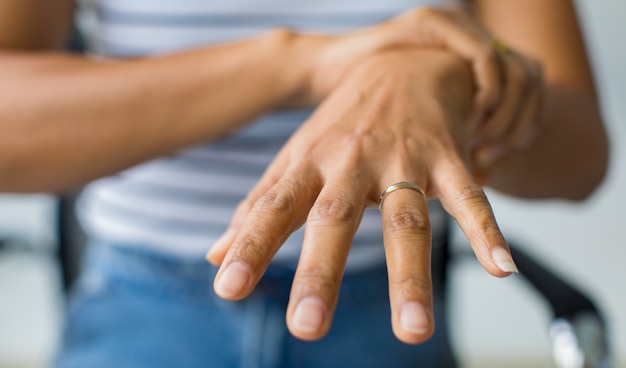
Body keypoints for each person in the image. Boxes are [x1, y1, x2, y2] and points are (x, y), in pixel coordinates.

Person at [0, 0, 607, 367]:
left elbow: (580, 155)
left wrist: (460, 79)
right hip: (146, 316)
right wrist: (305, 65)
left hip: (386, 320)